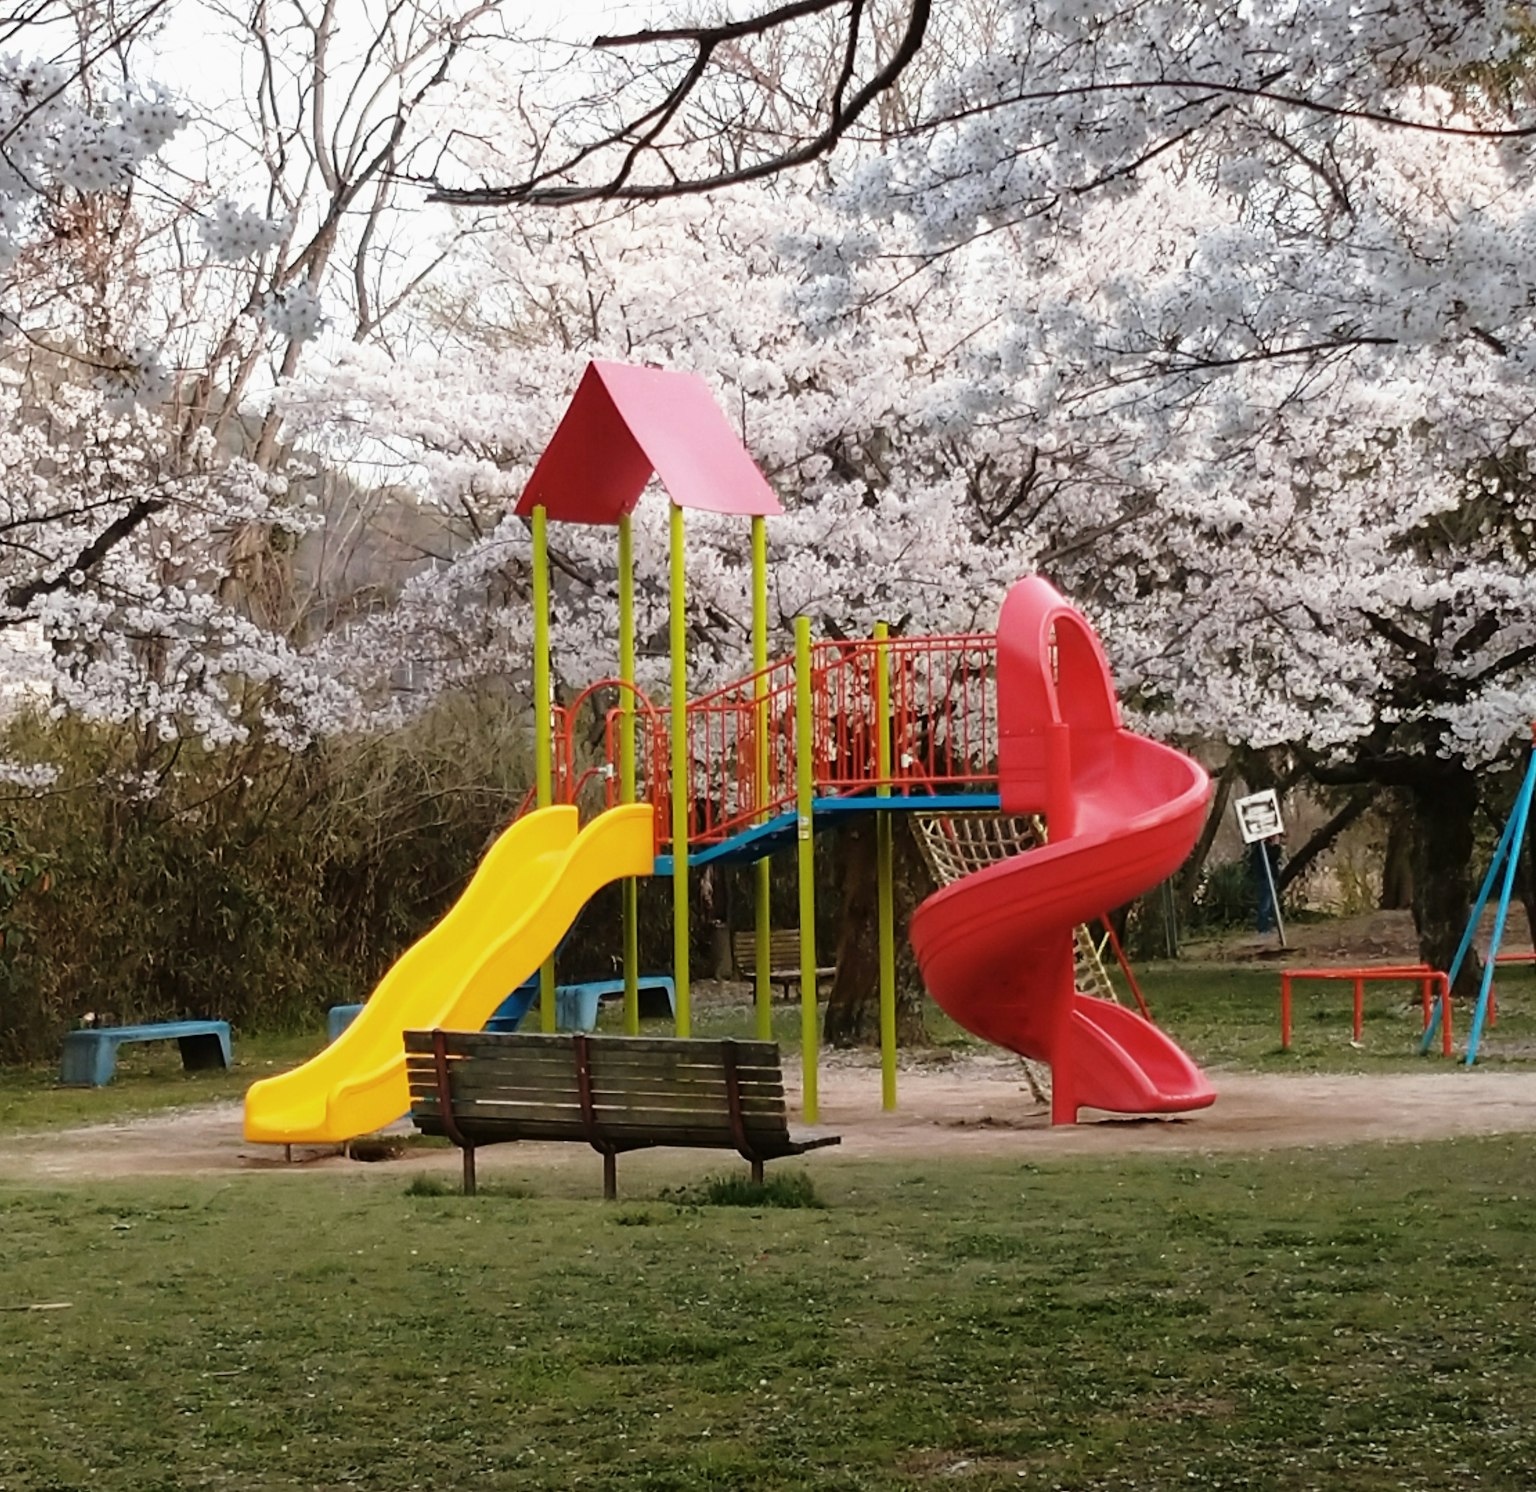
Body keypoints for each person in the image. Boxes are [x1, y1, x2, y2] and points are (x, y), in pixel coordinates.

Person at [1250, 834, 1284, 933]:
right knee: (1265, 902)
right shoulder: (1263, 847)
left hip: (1267, 876)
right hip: (1266, 877)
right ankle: (1263, 928)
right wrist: (1276, 845)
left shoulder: (1261, 847)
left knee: (1269, 902)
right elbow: (1273, 856)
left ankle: (1267, 925)